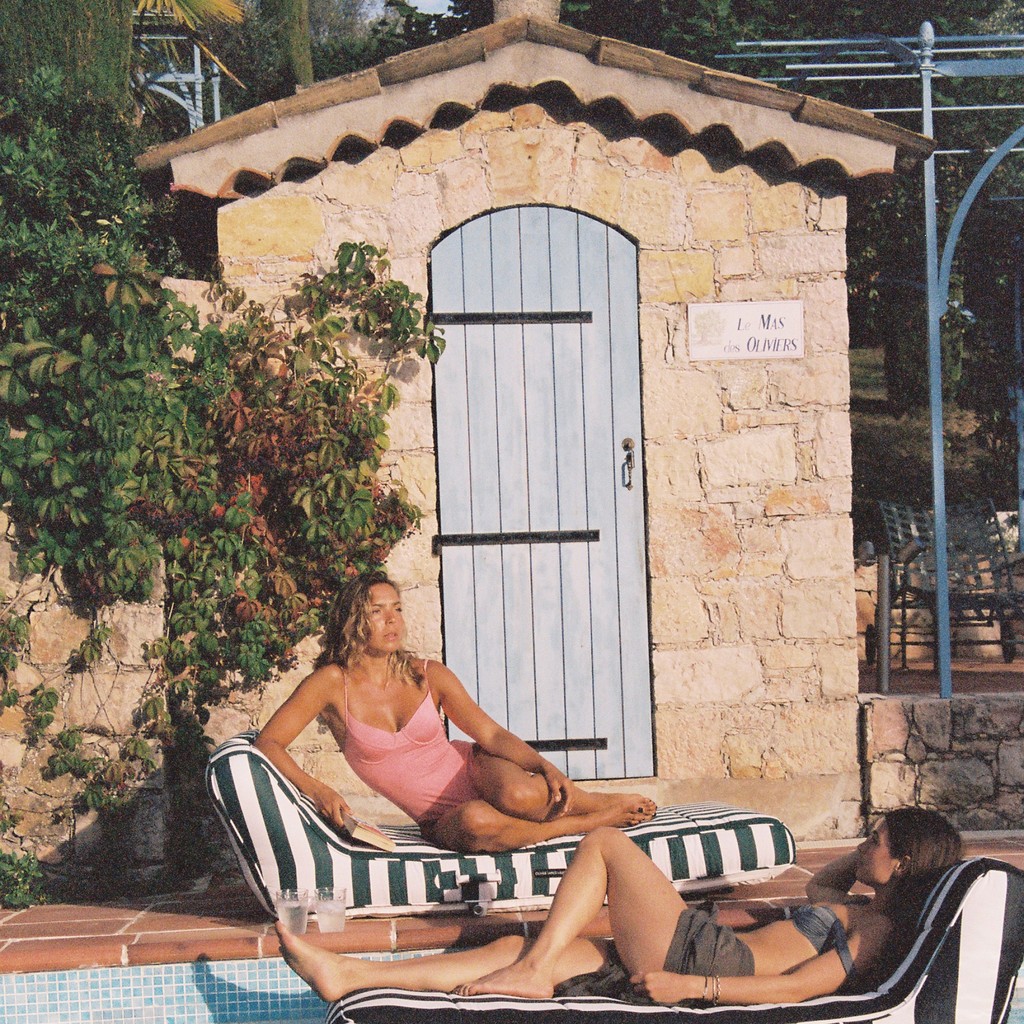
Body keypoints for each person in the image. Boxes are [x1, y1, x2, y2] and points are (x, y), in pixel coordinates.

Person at [274, 807, 962, 1006]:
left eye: (878, 837)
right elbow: (819, 889)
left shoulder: (876, 928)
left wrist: (696, 986)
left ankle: (536, 971)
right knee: (515, 947)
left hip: (707, 959)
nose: (863, 841)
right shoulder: (857, 902)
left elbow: (801, 986)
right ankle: (353, 976)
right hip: (697, 945)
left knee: (603, 843)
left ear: (901, 861)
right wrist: (879, 864)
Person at [254, 571, 656, 854]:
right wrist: (319, 789)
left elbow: (492, 736)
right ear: (353, 621)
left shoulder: (428, 674)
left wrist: (544, 765)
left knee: (520, 792)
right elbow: (269, 742)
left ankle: (597, 800)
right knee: (477, 823)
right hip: (441, 817)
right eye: (378, 611)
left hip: (475, 769)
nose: (392, 620)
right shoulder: (330, 683)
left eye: (397, 609)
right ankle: (589, 820)